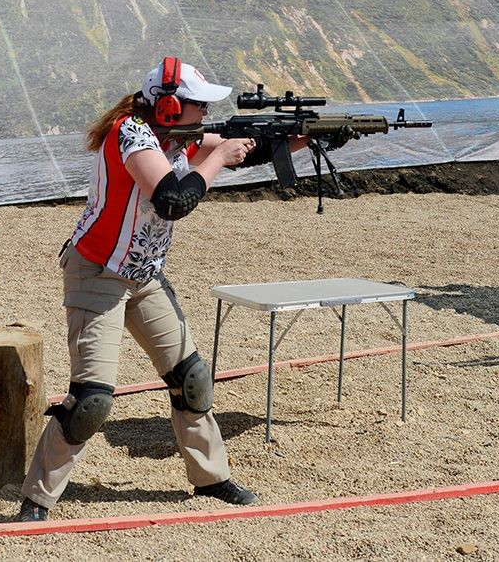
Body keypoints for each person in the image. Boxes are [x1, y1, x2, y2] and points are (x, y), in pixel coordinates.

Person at [17, 57, 308, 522]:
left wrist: (295, 141)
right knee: (92, 400)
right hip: (97, 274)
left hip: (144, 275)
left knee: (191, 380)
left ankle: (210, 479)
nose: (204, 116)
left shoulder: (174, 135)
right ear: (170, 106)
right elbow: (173, 200)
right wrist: (215, 159)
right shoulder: (132, 134)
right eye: (197, 106)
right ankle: (37, 496)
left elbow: (245, 150)